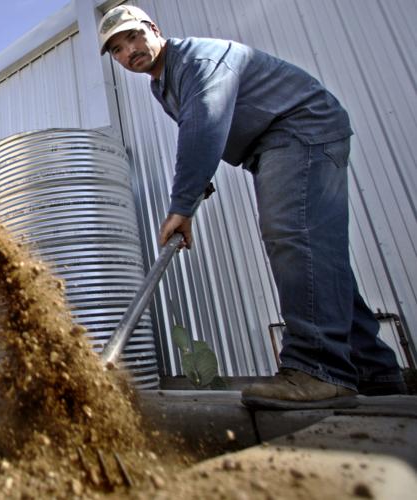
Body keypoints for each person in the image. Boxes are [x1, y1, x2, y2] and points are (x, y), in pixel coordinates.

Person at [98, 4, 406, 409]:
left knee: (293, 237)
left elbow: (204, 123)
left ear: (153, 29)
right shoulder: (162, 86)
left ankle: (317, 369)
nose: (128, 52)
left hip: (299, 128)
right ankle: (375, 371)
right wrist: (199, 185)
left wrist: (182, 205)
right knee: (318, 257)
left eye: (133, 37)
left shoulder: (196, 61)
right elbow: (207, 129)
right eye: (118, 50)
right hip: (271, 145)